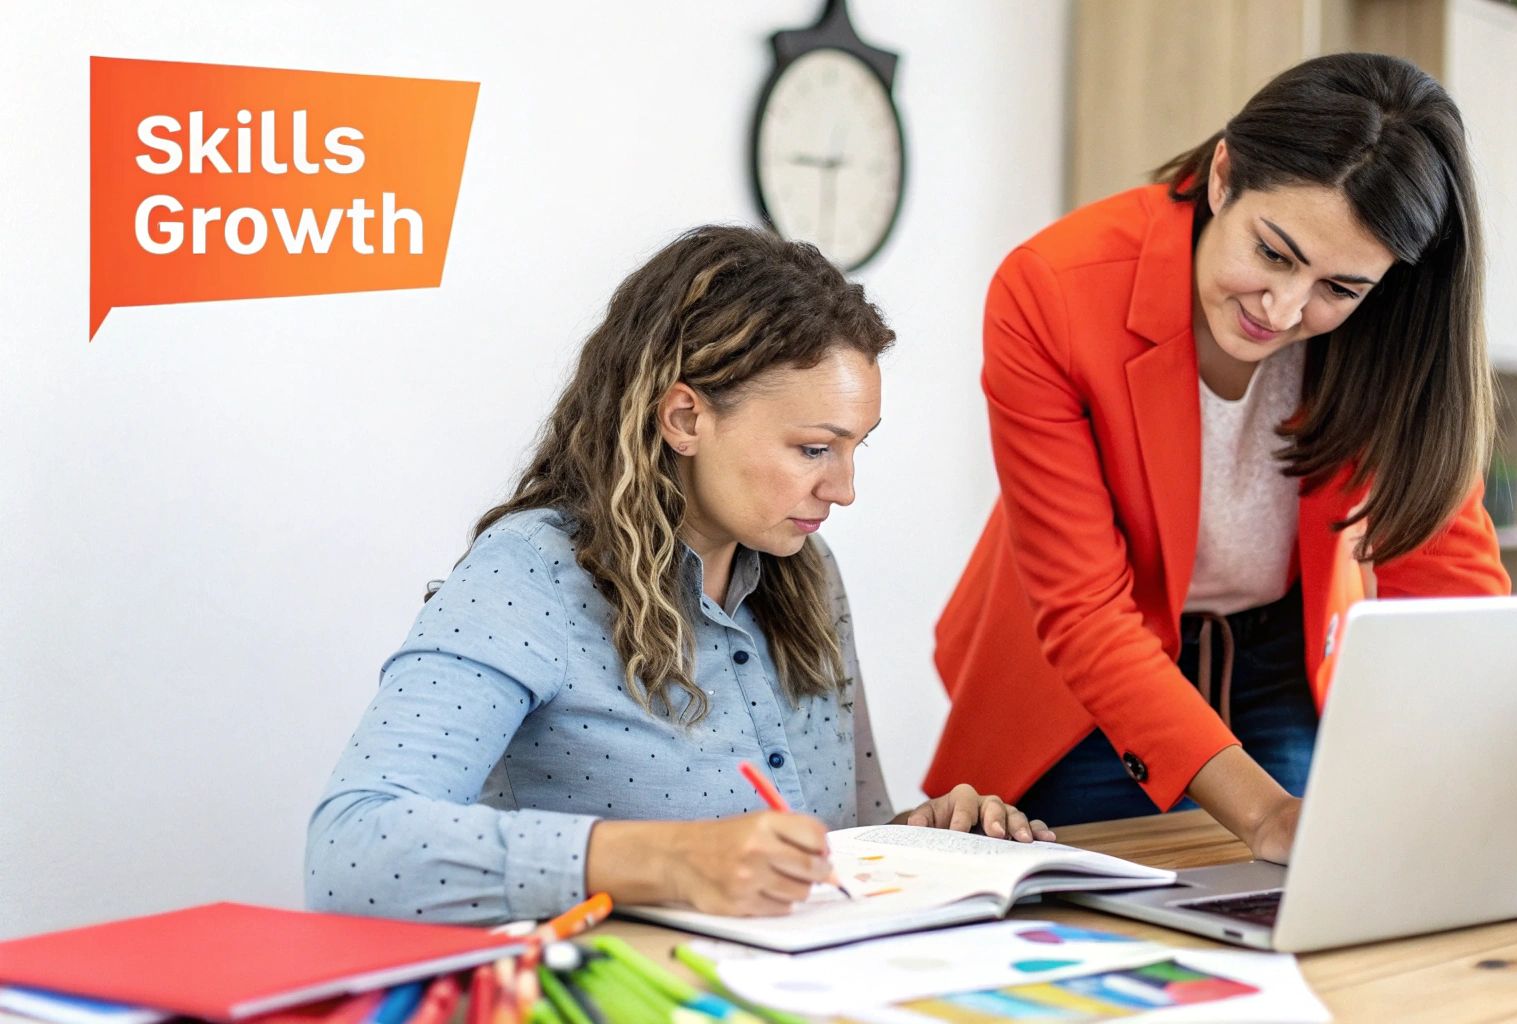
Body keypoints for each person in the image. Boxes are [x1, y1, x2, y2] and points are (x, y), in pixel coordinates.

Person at [307, 225, 1051, 924]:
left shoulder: (808, 575)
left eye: (857, 448)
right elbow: (350, 851)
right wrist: (665, 859)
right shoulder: (529, 576)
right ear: (686, 419)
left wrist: (925, 838)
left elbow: (842, 841)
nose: (844, 489)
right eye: (814, 450)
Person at [924, 53, 1511, 857]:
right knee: (1093, 925)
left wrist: (1485, 771)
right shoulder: (1052, 291)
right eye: (1274, 253)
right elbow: (1088, 612)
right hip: (1081, 683)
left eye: (1340, 288)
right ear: (1225, 176)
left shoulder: (1392, 329)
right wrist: (1266, 815)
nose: (1285, 309)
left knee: (1292, 922)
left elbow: (1445, 582)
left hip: (1278, 657)